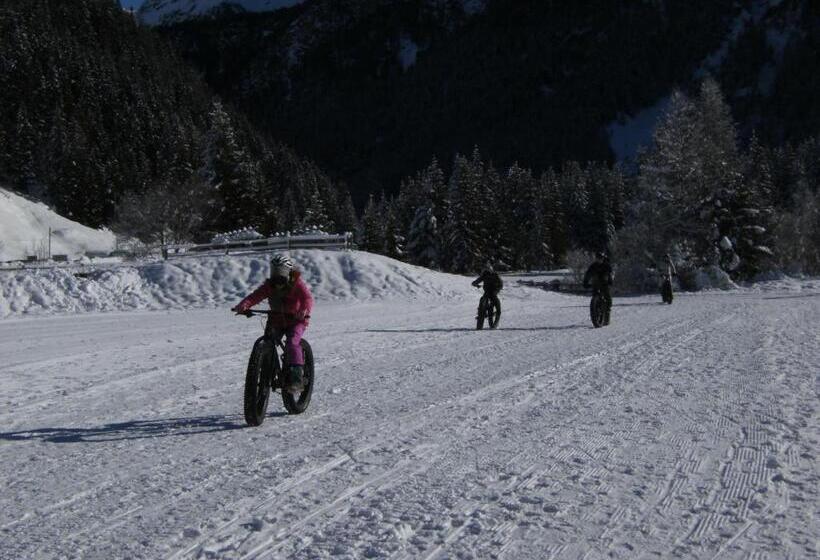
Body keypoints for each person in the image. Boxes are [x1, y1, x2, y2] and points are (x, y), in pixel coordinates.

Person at [232, 254, 314, 392]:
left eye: (281, 272)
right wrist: (243, 305)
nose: (277, 276)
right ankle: (266, 367)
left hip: (296, 320)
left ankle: (296, 378)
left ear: (288, 272)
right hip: (276, 320)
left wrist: (304, 311)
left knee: (292, 343)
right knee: (267, 342)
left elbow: (307, 298)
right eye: (274, 272)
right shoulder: (269, 286)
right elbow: (255, 296)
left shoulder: (296, 284)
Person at [583, 251, 613, 325]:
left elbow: (610, 274)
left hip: (605, 284)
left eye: (600, 258)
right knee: (595, 297)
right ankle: (595, 311)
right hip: (596, 284)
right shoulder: (593, 266)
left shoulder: (606, 265)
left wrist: (610, 280)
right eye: (597, 258)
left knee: (608, 299)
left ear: (603, 258)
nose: (599, 260)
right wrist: (585, 282)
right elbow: (588, 274)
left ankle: (607, 315)